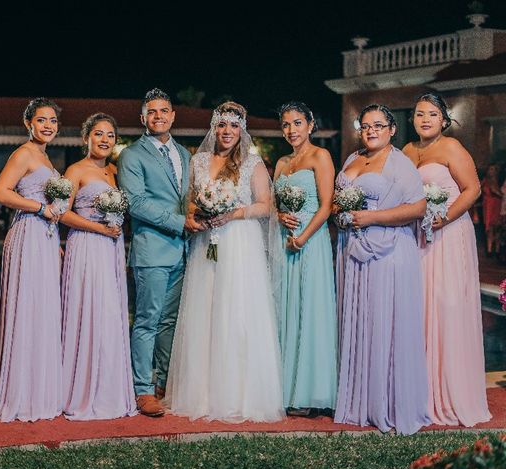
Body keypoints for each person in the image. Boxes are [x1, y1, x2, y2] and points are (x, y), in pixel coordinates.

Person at [165, 102, 284, 423]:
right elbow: (190, 201)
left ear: (241, 129)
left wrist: (233, 213)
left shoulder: (252, 163)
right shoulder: (200, 160)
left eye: (233, 125)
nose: (226, 131)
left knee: (236, 312)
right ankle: (202, 393)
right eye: (221, 125)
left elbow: (264, 206)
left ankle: (237, 394)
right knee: (206, 310)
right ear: (213, 128)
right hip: (207, 243)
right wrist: (198, 214)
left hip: (239, 245)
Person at [334, 104, 430, 435]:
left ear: (391, 129)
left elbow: (418, 207)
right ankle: (359, 399)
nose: (371, 130)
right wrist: (342, 214)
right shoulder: (351, 160)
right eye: (365, 126)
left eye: (378, 125)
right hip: (354, 252)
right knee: (359, 321)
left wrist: (372, 217)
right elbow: (340, 200)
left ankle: (386, 403)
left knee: (385, 323)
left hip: (388, 254)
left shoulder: (400, 163)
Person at [403, 93, 490, 427]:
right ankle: (420, 390)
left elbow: (473, 189)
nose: (425, 119)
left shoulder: (453, 148)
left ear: (444, 120)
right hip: (416, 236)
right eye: (420, 114)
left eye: (432, 114)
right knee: (420, 307)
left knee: (446, 304)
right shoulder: (408, 151)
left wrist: (445, 217)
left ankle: (452, 391)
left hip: (449, 235)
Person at [118, 88, 202, 417]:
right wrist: (182, 221)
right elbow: (136, 203)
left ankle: (165, 382)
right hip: (152, 250)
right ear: (143, 118)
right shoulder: (132, 155)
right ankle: (142, 389)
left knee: (171, 322)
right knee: (147, 321)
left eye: (164, 111)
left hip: (183, 252)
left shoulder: (184, 153)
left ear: (173, 115)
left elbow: (190, 196)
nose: (159, 116)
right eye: (152, 112)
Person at [59, 113, 136, 420]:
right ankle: (81, 390)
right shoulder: (75, 170)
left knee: (111, 313)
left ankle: (110, 389)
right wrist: (99, 228)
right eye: (98, 134)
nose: (104, 140)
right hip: (87, 245)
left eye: (110, 135)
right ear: (86, 138)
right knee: (88, 311)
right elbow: (61, 213)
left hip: (112, 248)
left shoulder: (116, 173)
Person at [0, 98, 63, 422]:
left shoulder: (44, 156)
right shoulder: (23, 153)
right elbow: (0, 193)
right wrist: (38, 208)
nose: (48, 125)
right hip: (27, 234)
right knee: (26, 308)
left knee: (44, 309)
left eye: (52, 120)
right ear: (28, 123)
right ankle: (20, 393)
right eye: (42, 120)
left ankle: (41, 390)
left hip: (46, 238)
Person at [271, 101, 337, 417]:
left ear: (310, 124)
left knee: (311, 309)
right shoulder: (281, 162)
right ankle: (285, 388)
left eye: (297, 123)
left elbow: (327, 205)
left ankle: (312, 391)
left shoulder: (320, 156)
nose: (291, 130)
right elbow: (273, 204)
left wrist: (304, 236)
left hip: (312, 241)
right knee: (286, 310)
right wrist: (280, 215)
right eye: (285, 124)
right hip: (286, 243)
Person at [481, 163, 502, 256]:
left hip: (498, 205)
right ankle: (489, 249)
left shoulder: (499, 181)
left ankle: (497, 250)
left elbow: (500, 193)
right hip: (488, 206)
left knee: (497, 227)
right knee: (489, 227)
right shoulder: (485, 181)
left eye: (493, 169)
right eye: (490, 169)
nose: (491, 171)